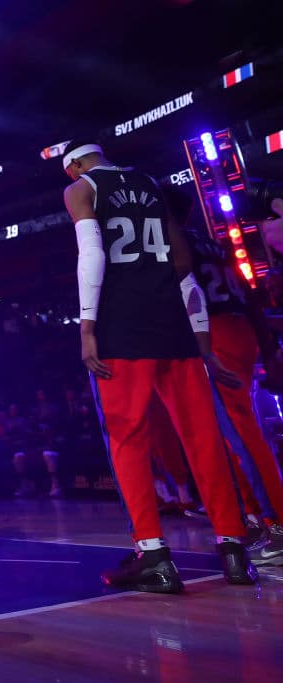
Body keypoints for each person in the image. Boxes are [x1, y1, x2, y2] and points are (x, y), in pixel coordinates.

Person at [62, 139, 256, 593]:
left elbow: (91, 255)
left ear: (75, 165)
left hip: (122, 329)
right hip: (173, 325)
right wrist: (201, 340)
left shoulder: (82, 189)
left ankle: (153, 556)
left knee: (128, 439)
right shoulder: (150, 184)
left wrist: (87, 326)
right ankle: (233, 550)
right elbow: (183, 262)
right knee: (203, 438)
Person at [164, 184, 283, 565]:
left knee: (244, 436)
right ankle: (256, 519)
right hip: (240, 328)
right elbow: (249, 297)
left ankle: (277, 523)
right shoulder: (215, 242)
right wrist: (269, 349)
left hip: (214, 332)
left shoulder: (173, 239)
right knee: (236, 437)